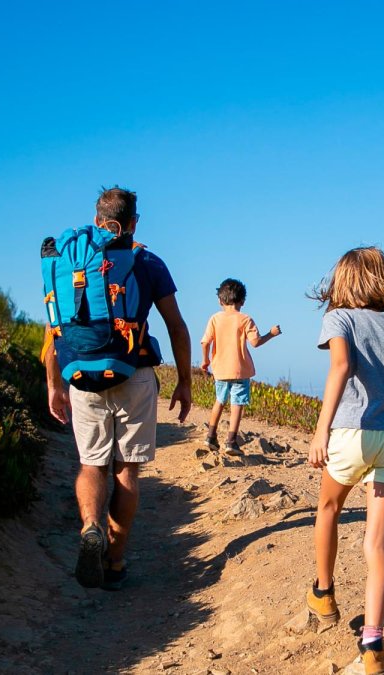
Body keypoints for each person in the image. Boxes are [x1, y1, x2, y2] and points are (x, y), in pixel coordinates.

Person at [43, 186, 193, 591]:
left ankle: (91, 526)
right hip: (134, 373)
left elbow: (54, 326)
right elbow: (176, 325)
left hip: (80, 375)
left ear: (96, 218)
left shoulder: (68, 260)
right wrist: (184, 381)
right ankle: (114, 560)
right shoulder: (146, 261)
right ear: (134, 222)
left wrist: (53, 383)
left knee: (91, 464)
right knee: (127, 470)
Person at [305, 247, 384, 675]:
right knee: (378, 543)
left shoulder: (340, 319)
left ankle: (324, 593)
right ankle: (373, 645)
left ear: (344, 282)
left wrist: (322, 431)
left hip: (351, 434)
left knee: (329, 508)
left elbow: (340, 367)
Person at [199, 278, 281, 454]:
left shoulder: (214, 319)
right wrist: (271, 334)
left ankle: (211, 437)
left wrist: (205, 361)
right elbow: (256, 342)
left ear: (220, 300)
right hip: (240, 369)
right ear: (242, 301)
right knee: (237, 404)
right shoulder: (245, 319)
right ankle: (231, 441)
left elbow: (205, 343)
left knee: (219, 401)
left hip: (220, 369)